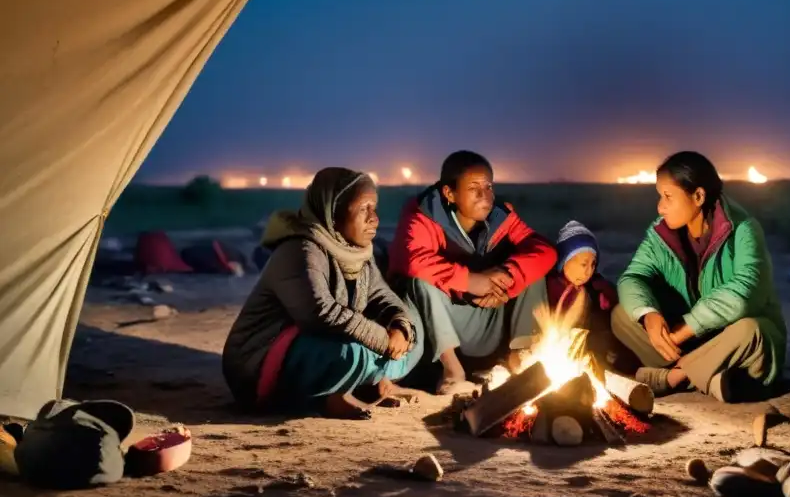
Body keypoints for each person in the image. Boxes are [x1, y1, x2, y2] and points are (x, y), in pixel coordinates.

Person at [222, 168, 423, 420]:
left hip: (323, 347)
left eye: (375, 208)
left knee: (414, 330)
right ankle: (329, 396)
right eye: (364, 209)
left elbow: (383, 297)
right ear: (333, 211)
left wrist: (399, 328)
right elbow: (320, 313)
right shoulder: (299, 250)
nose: (375, 219)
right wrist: (383, 340)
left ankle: (364, 383)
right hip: (259, 367)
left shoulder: (357, 253)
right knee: (351, 354)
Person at [611, 151, 787, 403]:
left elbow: (744, 293)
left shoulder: (744, 230)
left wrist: (685, 329)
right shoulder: (660, 233)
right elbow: (633, 277)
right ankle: (707, 377)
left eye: (668, 196)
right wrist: (648, 314)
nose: (660, 206)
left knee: (754, 331)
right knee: (622, 315)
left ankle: (675, 377)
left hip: (729, 341)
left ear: (698, 196)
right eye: (660, 196)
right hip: (693, 347)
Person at [389, 151, 556, 393]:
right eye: (474, 188)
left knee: (532, 272)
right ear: (449, 193)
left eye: (488, 186)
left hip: (489, 314)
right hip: (442, 324)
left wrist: (509, 277)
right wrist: (471, 280)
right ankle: (452, 372)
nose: (484, 195)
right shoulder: (422, 214)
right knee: (420, 282)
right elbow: (412, 261)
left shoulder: (501, 217)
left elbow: (545, 250)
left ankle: (521, 357)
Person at [546, 220, 618, 328]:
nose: (589, 271)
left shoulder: (595, 288)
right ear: (564, 261)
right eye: (584, 264)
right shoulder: (549, 287)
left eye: (593, 265)